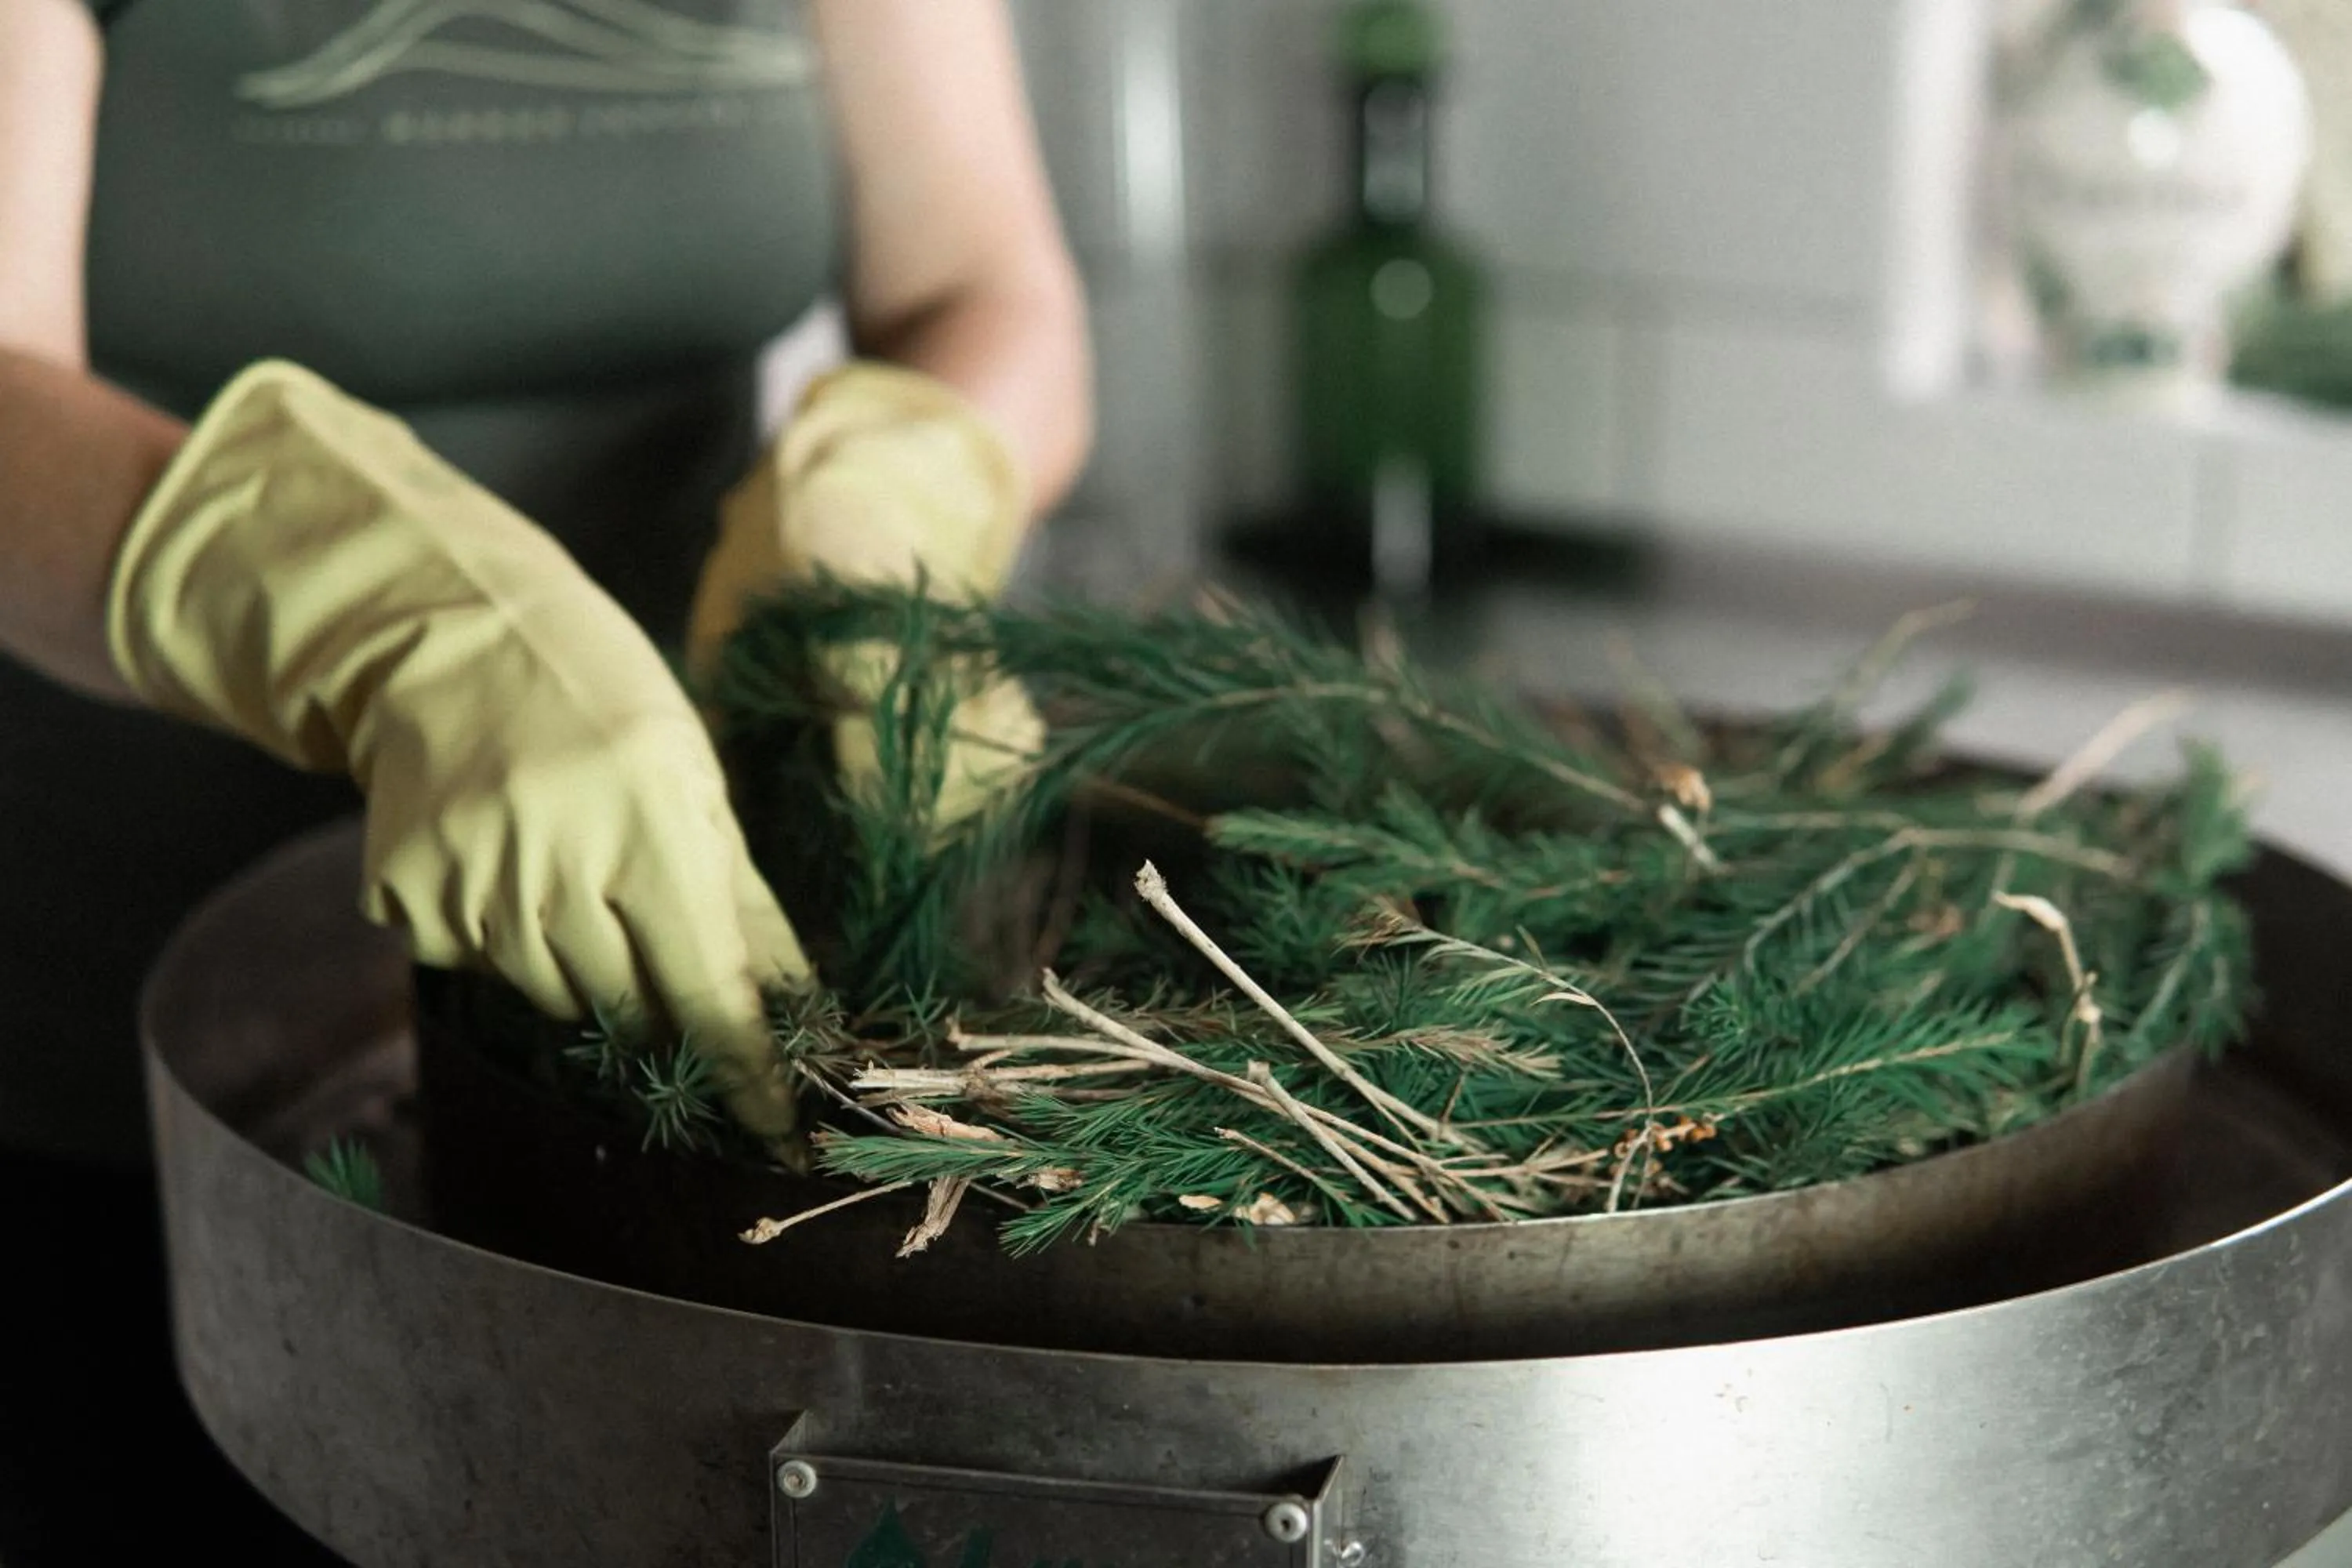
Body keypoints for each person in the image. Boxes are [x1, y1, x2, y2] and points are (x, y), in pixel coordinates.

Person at [0, 0, 1093, 1559]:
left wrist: (894, 495)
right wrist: (377, 611)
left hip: (661, 971)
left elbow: (988, 284)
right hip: (150, 1059)